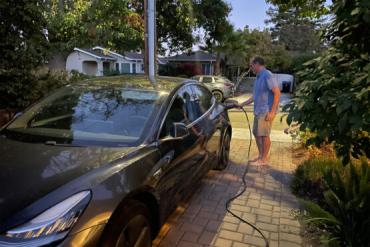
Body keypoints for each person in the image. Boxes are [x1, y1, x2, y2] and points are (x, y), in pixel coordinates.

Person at [238, 56, 281, 165]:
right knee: (257, 134)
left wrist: (272, 112)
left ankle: (264, 159)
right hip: (258, 111)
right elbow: (254, 96)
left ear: (257, 64)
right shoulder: (258, 77)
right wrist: (242, 104)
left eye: (251, 64)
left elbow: (277, 92)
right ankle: (261, 156)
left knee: (264, 135)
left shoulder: (267, 75)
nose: (250, 67)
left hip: (266, 111)